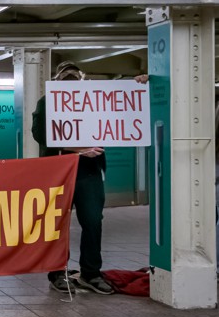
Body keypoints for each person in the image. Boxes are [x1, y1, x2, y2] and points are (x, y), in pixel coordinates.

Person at [31, 61, 149, 295]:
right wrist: (77, 149)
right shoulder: (47, 102)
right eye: (66, 81)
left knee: (93, 221)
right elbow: (40, 134)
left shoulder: (95, 102)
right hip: (59, 170)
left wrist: (138, 85)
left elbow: (123, 108)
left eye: (75, 81)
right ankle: (57, 273)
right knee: (58, 224)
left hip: (89, 171)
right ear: (58, 83)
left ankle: (91, 273)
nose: (71, 85)